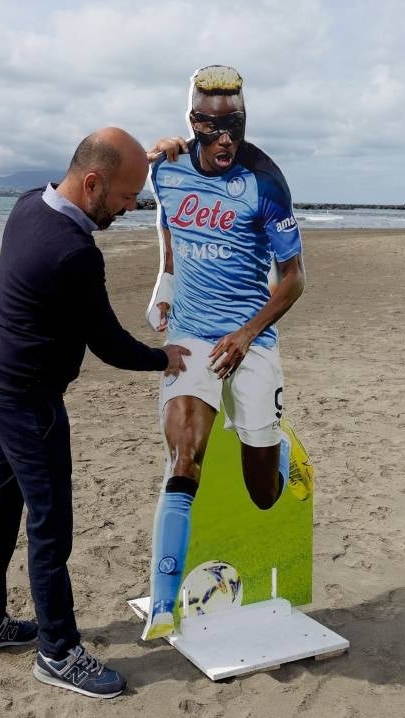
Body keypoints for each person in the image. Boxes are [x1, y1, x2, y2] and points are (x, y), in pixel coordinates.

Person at [0, 126, 191, 699]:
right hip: (30, 404)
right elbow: (110, 343)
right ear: (91, 183)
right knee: (49, 527)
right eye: (122, 197)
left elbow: (116, 162)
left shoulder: (26, 205)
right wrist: (162, 358)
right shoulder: (74, 253)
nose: (131, 207)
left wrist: (157, 154)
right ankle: (58, 653)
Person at [141, 65, 311, 641]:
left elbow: (293, 280)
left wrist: (244, 335)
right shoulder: (165, 168)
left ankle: (284, 454)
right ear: (193, 123)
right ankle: (164, 607)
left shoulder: (267, 182)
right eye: (212, 127)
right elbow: (166, 223)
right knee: (183, 458)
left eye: (234, 124)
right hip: (190, 336)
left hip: (252, 338)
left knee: (262, 494)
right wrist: (165, 284)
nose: (225, 139)